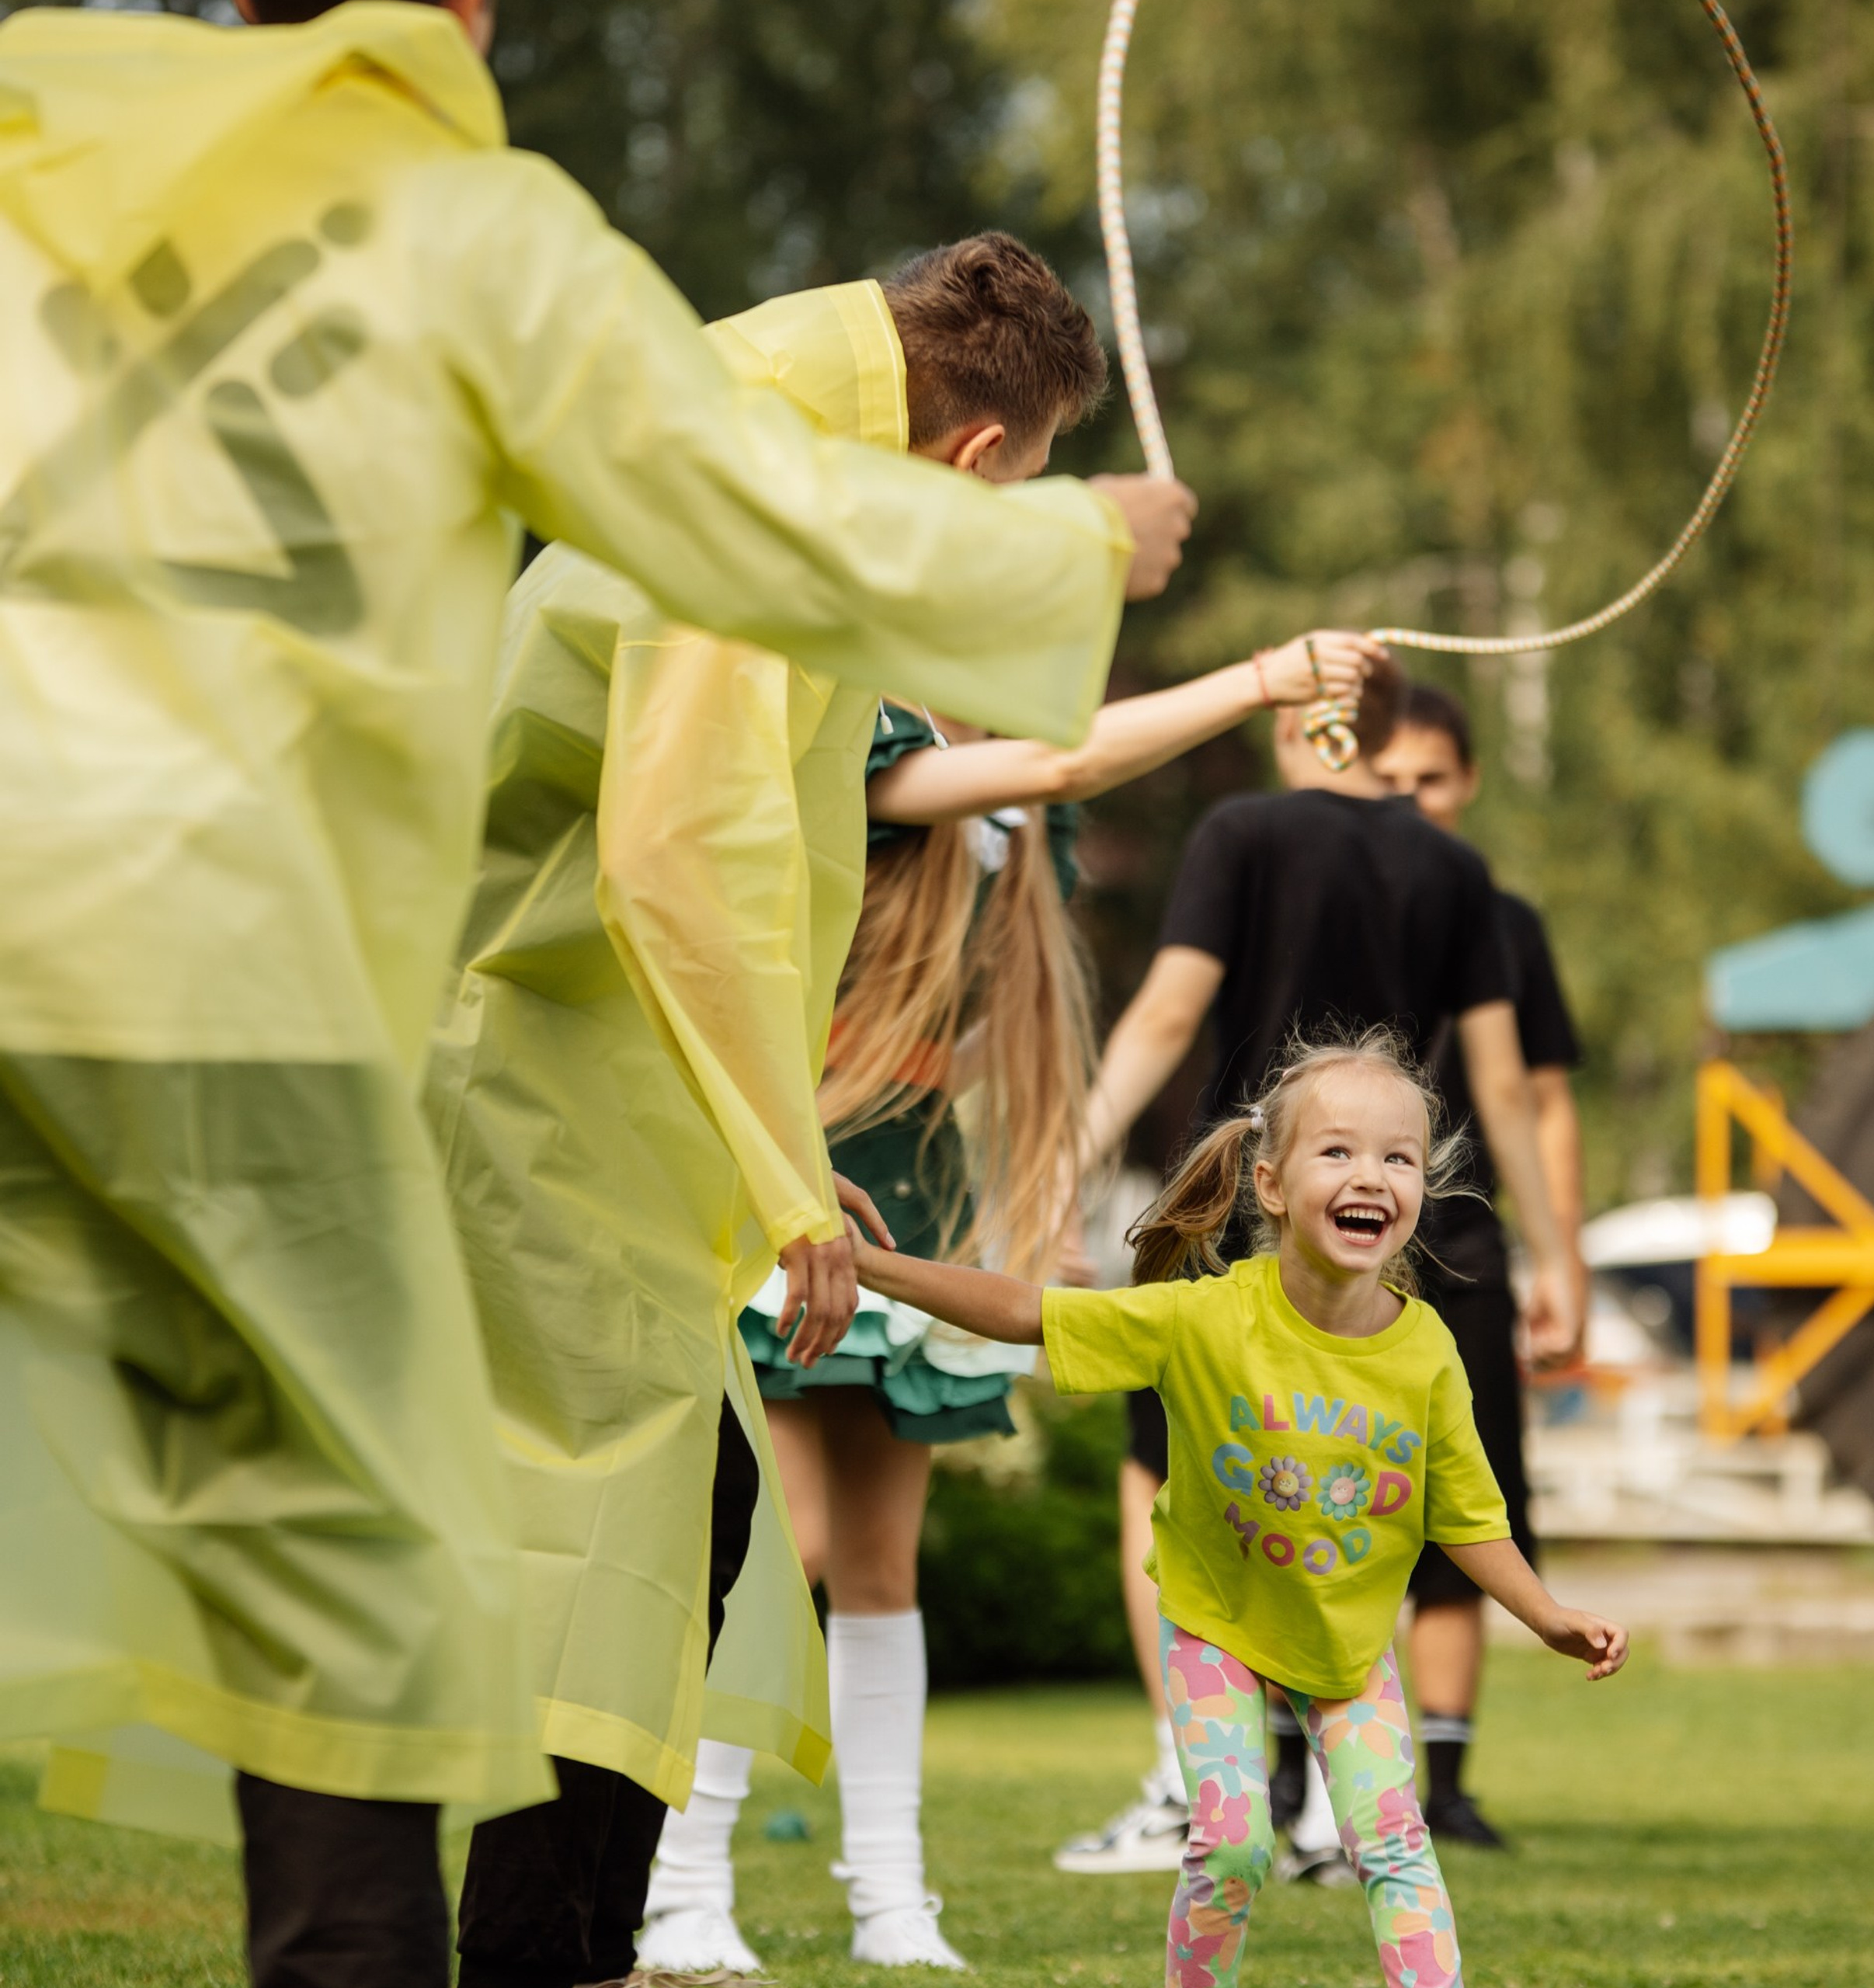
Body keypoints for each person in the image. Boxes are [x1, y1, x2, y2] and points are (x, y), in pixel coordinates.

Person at [0, 3, 1195, 1983]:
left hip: (188, 960)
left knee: (414, 1538)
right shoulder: (517, 265)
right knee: (587, 1539)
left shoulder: (93, 154)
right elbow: (688, 836)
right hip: (485, 1094)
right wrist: (1069, 551)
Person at [429, 238, 1193, 1988]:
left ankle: (565, 1949)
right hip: (523, 1083)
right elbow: (681, 854)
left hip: (581, 1088)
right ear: (980, 464)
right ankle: (541, 1960)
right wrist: (783, 1171)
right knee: (612, 1542)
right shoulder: (764, 463)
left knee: (661, 1525)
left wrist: (763, 1136)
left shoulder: (765, 398)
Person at [641, 606, 1384, 1970]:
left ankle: (891, 1900)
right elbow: (1057, 767)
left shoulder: (1009, 833)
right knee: (778, 1549)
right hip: (793, 1186)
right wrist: (1269, 679)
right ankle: (683, 1888)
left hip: (913, 1194)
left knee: (876, 1567)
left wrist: (1034, 1202)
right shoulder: (877, 746)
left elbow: (989, 1029)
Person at [847, 1029, 1628, 1988]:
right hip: (1216, 1620)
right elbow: (1026, 1313)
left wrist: (1546, 1614)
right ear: (1269, 1184)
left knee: (1391, 1839)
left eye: (1398, 1157)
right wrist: (870, 1269)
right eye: (1336, 1151)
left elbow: (1466, 1517)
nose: (1370, 1174)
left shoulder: (1426, 1353)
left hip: (1346, 1645)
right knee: (1232, 1845)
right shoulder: (1205, 1317)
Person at [1055, 657, 1580, 1880]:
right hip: (1392, 1214)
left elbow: (1170, 1013)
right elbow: (1498, 1081)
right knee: (1365, 1494)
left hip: (1245, 1206)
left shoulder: (1241, 830)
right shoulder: (1456, 867)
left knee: (1169, 1481)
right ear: (1385, 735)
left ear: (1303, 722)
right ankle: (1327, 1809)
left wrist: (1065, 1165)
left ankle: (1195, 1779)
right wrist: (1552, 1255)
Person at [1372, 680, 1586, 1847]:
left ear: (1468, 784)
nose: (1409, 801)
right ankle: (1304, 1784)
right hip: (1333, 1256)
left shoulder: (1501, 921)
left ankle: (1441, 1783)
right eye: (1388, 778)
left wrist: (1566, 1260)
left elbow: (1538, 1099)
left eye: (1431, 781)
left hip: (1460, 1246)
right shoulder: (1324, 890)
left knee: (1473, 1501)